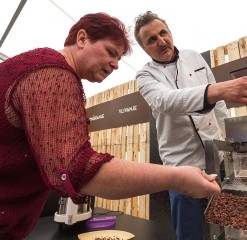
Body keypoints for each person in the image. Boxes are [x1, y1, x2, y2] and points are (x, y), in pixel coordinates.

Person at [0, 13, 222, 240]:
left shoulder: (41, 69)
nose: (116, 64)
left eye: (118, 57)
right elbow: (76, 170)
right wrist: (176, 178)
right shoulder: (51, 73)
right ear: (82, 38)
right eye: (110, 52)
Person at [134, 11, 247, 240]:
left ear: (170, 32)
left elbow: (219, 104)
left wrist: (229, 141)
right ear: (145, 48)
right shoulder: (145, 76)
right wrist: (218, 90)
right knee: (189, 233)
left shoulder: (193, 57)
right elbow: (165, 101)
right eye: (151, 40)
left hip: (217, 159)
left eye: (163, 33)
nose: (161, 41)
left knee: (231, 224)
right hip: (181, 166)